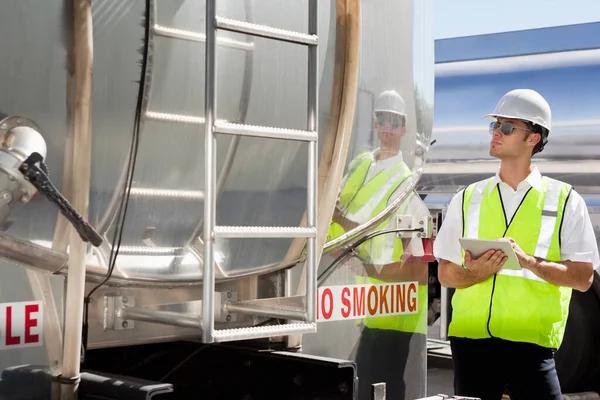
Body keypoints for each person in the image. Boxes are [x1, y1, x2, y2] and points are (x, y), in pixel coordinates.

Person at [433, 88, 600, 400]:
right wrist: (474, 274)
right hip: (472, 346)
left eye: (507, 127)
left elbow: (582, 277)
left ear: (533, 138)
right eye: (495, 125)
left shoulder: (565, 200)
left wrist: (529, 261)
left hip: (531, 349)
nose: (496, 132)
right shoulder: (467, 197)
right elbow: (444, 273)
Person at [327, 89, 429, 400]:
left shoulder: (405, 183)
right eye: (382, 120)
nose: (387, 128)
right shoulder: (360, 163)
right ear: (374, 123)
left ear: (404, 128)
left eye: (394, 122)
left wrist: (340, 222)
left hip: (390, 304)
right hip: (351, 292)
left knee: (380, 382)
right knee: (359, 382)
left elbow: (420, 267)